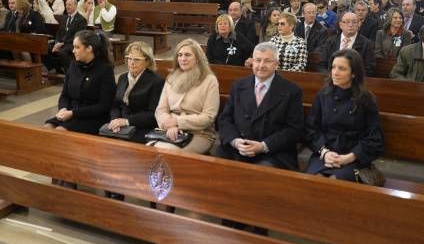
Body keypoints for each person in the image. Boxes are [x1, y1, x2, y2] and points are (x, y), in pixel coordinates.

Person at [216, 41, 304, 171]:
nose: (261, 65)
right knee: (216, 170)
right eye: (257, 60)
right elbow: (225, 119)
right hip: (238, 147)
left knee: (260, 174)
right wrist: (235, 141)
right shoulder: (238, 86)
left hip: (273, 152)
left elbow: (294, 129)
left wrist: (263, 146)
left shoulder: (291, 91)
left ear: (276, 64)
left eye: (267, 61)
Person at [305, 49, 384, 183]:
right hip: (325, 153)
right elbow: (311, 129)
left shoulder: (366, 100)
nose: (335, 72)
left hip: (353, 156)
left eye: (342, 69)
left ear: (353, 73)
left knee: (334, 181)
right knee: (314, 180)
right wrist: (325, 153)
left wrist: (349, 157)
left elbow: (374, 138)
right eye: (333, 67)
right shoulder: (323, 95)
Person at [153, 38, 220, 154]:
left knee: (166, 153)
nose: (183, 59)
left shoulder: (209, 80)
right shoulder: (171, 77)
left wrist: (178, 122)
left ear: (198, 58)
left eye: (187, 55)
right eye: (180, 55)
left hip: (200, 133)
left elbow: (208, 117)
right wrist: (169, 125)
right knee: (149, 150)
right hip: (169, 129)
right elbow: (161, 109)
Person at [43, 30, 116, 135]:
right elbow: (64, 95)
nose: (73, 51)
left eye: (77, 47)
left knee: (60, 132)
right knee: (46, 128)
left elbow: (104, 106)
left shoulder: (105, 70)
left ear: (89, 48)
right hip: (71, 113)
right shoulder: (73, 66)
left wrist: (73, 113)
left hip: (93, 118)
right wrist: (62, 108)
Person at [104, 41, 165, 144]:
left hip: (142, 126)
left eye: (136, 59)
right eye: (129, 58)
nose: (131, 62)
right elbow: (115, 105)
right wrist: (115, 120)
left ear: (147, 61)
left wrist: (126, 122)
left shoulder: (156, 81)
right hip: (120, 124)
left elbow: (153, 114)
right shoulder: (122, 78)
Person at [319, 11, 376, 76]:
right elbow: (322, 65)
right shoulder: (331, 41)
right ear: (341, 25)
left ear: (358, 25)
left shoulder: (367, 44)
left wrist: (351, 77)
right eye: (347, 22)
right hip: (332, 79)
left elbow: (369, 69)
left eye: (354, 22)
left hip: (354, 82)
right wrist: (331, 76)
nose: (350, 25)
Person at [45, 0, 87, 74]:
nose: (67, 7)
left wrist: (62, 43)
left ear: (75, 6)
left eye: (69, 5)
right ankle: (58, 70)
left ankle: (69, 73)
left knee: (62, 52)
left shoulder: (81, 20)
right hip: (61, 43)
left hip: (72, 43)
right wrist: (57, 42)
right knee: (46, 48)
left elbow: (78, 36)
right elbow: (59, 32)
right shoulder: (64, 18)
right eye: (66, 4)